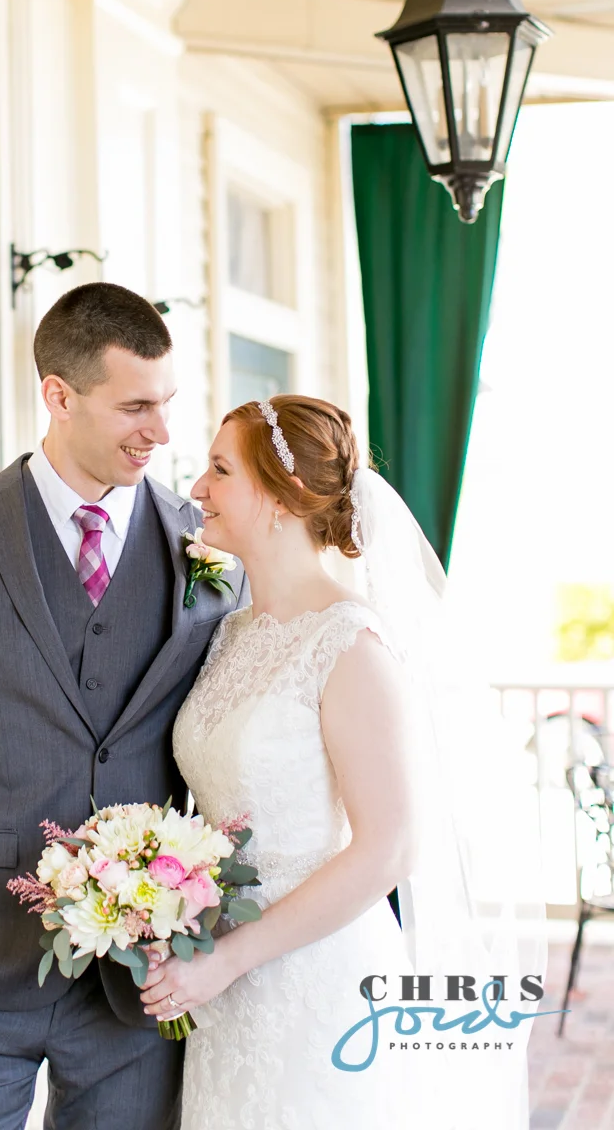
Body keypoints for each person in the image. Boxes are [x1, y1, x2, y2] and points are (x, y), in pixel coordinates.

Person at [0, 282, 245, 1130]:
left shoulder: (209, 552)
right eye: (135, 407)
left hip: (134, 987)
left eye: (167, 403)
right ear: (59, 395)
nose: (161, 432)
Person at [140, 394, 542, 1129]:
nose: (196, 488)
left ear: (282, 495)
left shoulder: (351, 644)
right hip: (221, 990)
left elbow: (390, 849)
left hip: (315, 983)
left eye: (220, 470)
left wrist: (228, 960)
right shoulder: (230, 632)